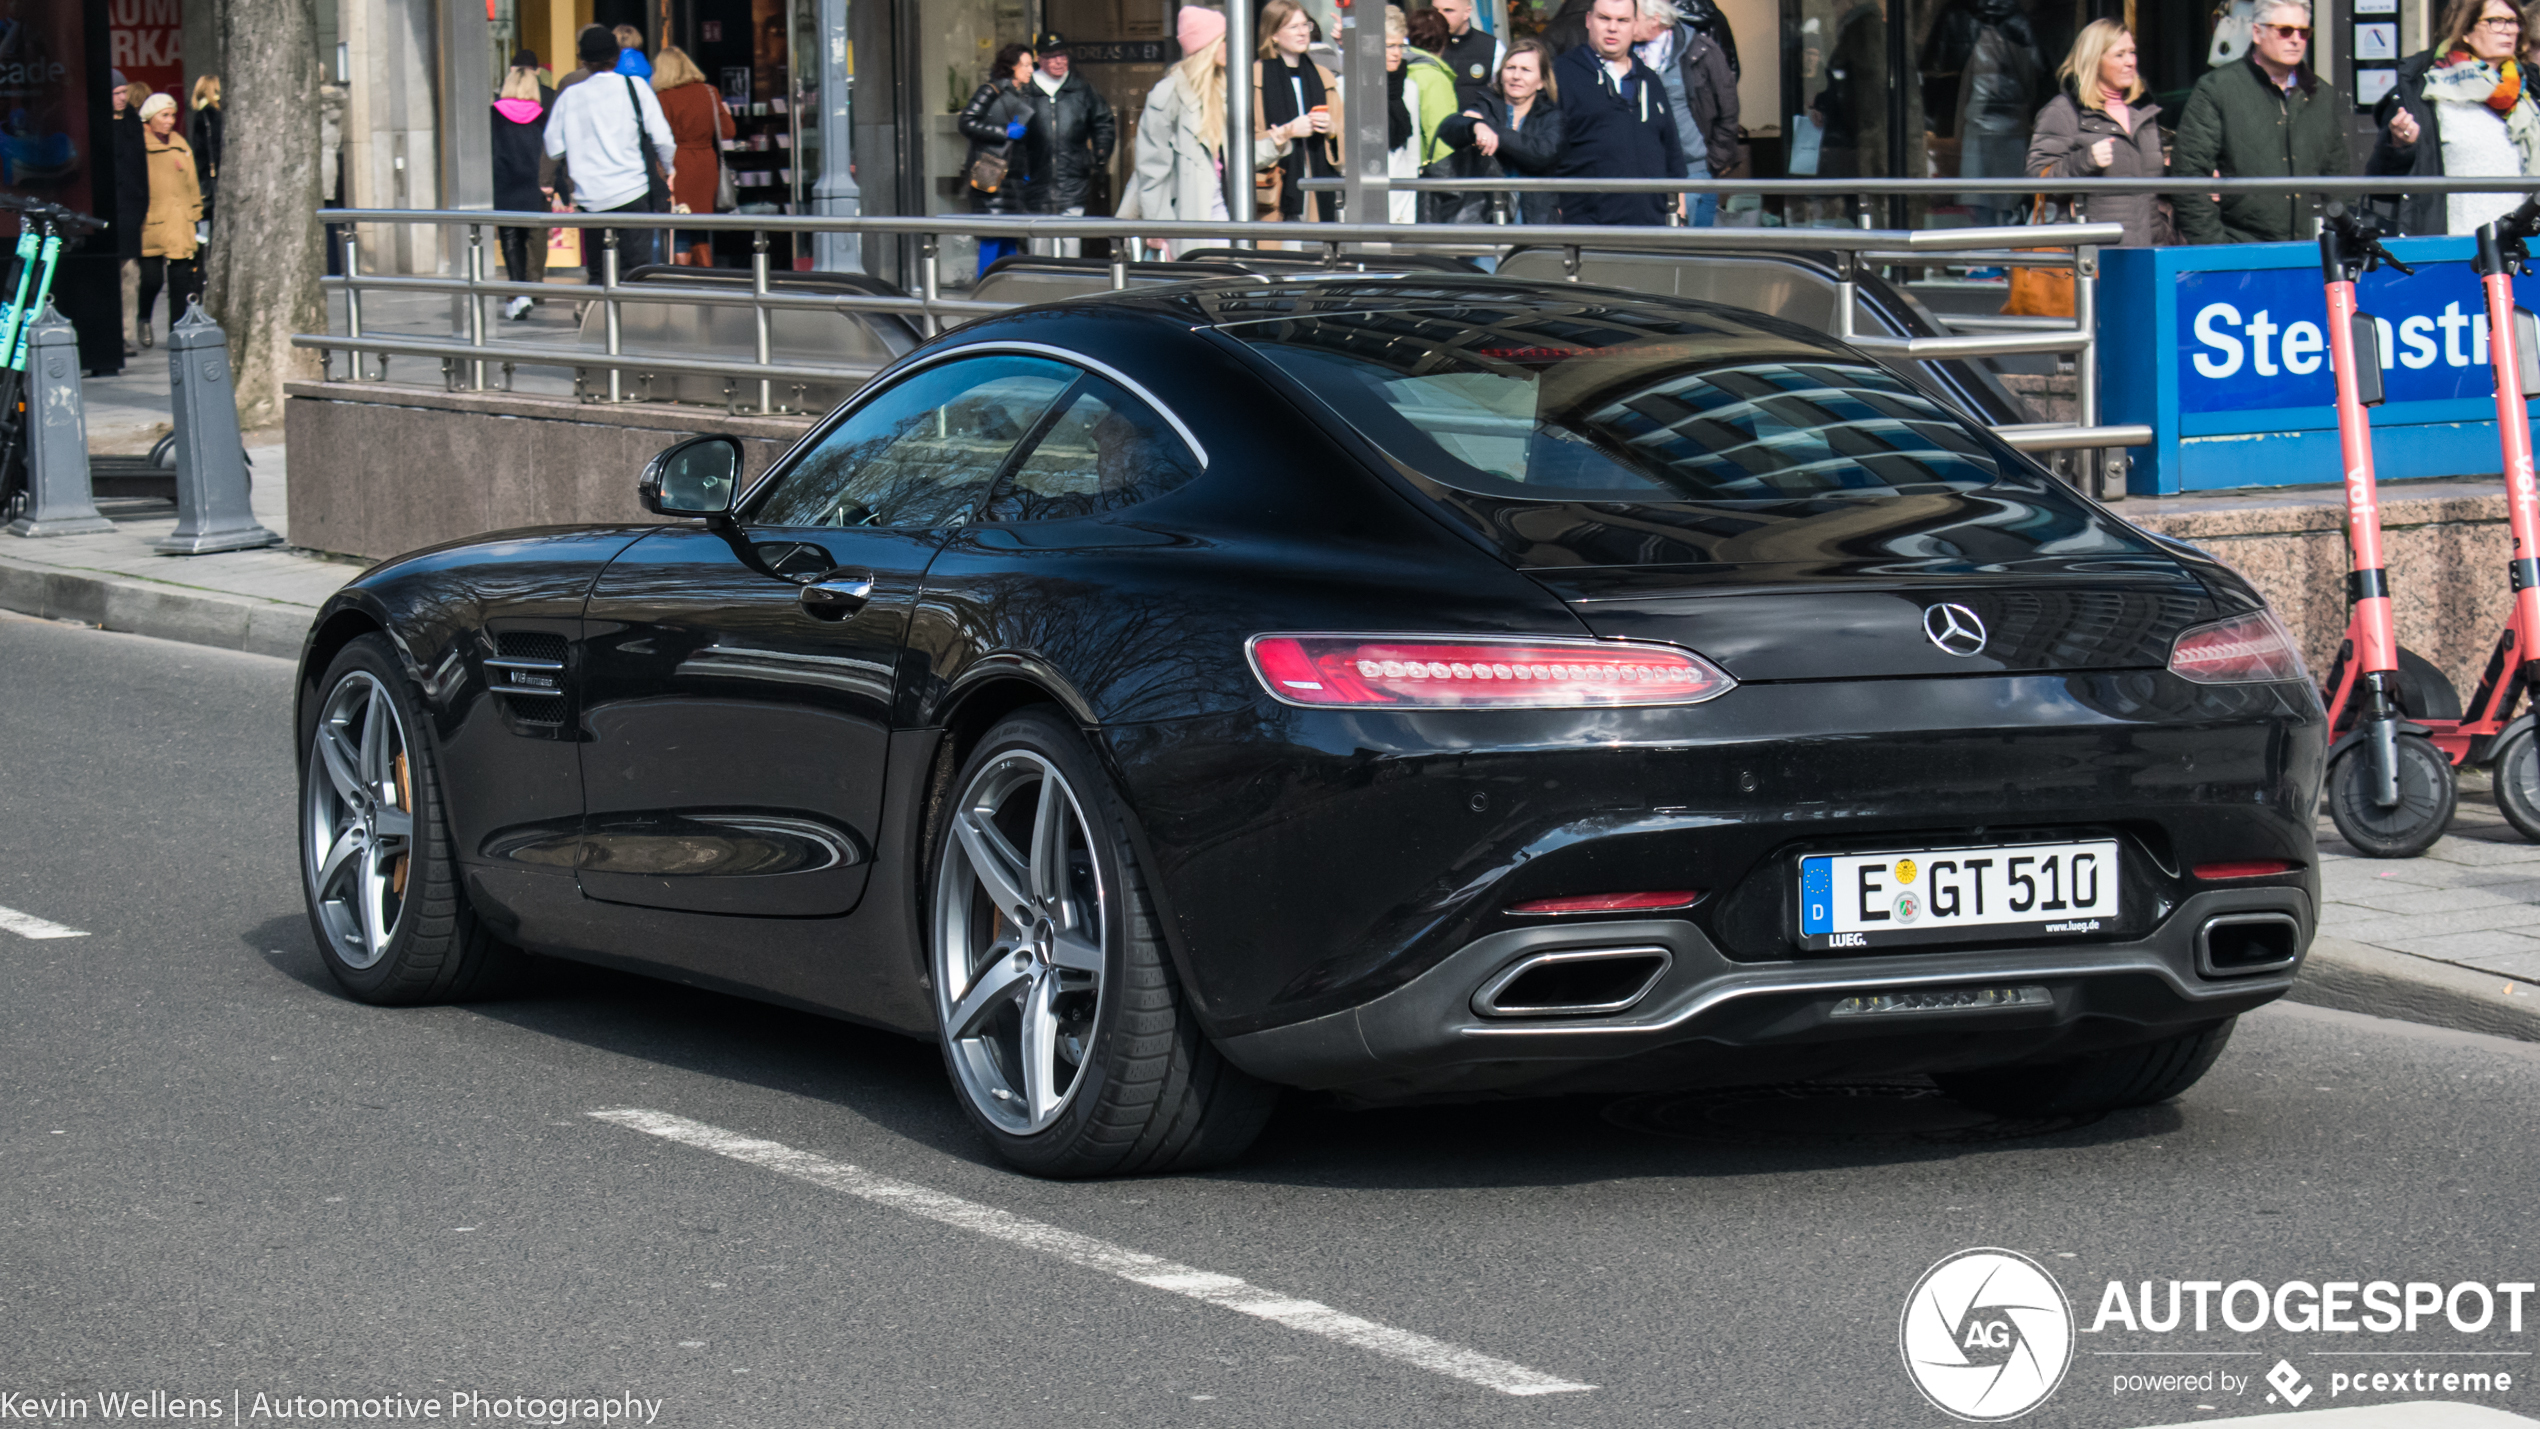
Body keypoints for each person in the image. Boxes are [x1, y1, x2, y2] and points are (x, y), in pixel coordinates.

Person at [2171, 0, 2349, 243]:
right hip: (2240, 250)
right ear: (2257, 32)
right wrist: (2217, 249)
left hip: (2308, 252)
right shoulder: (2218, 89)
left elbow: (2340, 183)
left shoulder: (2320, 94)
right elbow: (2188, 177)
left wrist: (2338, 243)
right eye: (2285, 31)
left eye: (2304, 32)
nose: (2296, 39)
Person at [2371, 0, 2540, 234]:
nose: (2509, 29)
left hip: (2525, 248)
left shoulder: (2530, 91)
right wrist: (2399, 146)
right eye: (2496, 22)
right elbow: (2380, 184)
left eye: (2513, 22)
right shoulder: (2427, 90)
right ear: (2466, 31)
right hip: (2459, 247)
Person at [1130, 6, 1287, 256]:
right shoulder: (1168, 94)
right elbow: (1152, 169)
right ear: (1207, 46)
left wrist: (1275, 143)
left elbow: (1232, 157)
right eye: (1225, 40)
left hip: (1222, 208)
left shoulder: (1222, 91)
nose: (1231, 46)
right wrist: (1159, 228)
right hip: (1188, 215)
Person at [544, 25, 677, 273]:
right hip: (633, 192)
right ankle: (633, 311)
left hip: (590, 199)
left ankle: (600, 310)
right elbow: (663, 139)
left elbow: (553, 148)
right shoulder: (636, 88)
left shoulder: (570, 96)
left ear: (583, 59)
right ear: (617, 57)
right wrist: (668, 169)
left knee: (599, 273)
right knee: (637, 271)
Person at [2023, 21, 2166, 247]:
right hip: (2094, 258)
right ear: (2095, 61)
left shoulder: (2143, 112)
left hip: (2148, 253)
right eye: (2119, 55)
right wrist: (2084, 160)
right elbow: (2037, 180)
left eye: (2132, 52)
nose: (2130, 61)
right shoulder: (2064, 111)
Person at [1552, 0, 1685, 224]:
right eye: (1604, 18)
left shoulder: (1650, 80)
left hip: (1653, 226)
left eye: (1622, 20)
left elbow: (1672, 153)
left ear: (1634, 25)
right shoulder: (1560, 74)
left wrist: (1679, 216)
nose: (1613, 28)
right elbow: (1545, 150)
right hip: (1588, 227)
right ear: (1588, 20)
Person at [1437, 38, 1566, 223]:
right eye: (1510, 67)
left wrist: (1493, 131)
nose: (1516, 76)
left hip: (1534, 221)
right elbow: (1448, 128)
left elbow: (1541, 153)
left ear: (1542, 82)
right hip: (1484, 221)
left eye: (1526, 70)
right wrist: (1474, 125)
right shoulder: (1486, 106)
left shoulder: (1552, 118)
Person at [1633, 0, 1739, 225]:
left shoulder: (1700, 49)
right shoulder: (1624, 55)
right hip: (1644, 172)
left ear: (1655, 20)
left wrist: (1714, 161)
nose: (1627, 23)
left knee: (1693, 252)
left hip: (1695, 168)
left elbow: (1728, 107)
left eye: (1634, 17)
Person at [1025, 32, 1119, 253]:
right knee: (1038, 246)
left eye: (1062, 55)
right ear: (1040, 59)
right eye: (1052, 56)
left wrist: (1100, 152)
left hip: (1073, 180)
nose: (1059, 61)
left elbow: (1103, 121)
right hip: (1036, 183)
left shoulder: (1081, 89)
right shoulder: (1027, 91)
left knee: (1071, 244)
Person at [1254, 3, 1341, 225]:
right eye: (1293, 27)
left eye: (1306, 25)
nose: (1303, 32)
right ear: (1273, 34)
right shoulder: (1255, 77)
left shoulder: (1323, 77)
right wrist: (1289, 132)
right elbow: (1243, 143)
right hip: (1274, 192)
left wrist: (1331, 129)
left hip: (1316, 188)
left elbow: (1345, 140)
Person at [961, 43, 1039, 277]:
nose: (1030, 70)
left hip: (1012, 180)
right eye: (1025, 65)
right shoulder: (991, 90)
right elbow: (967, 121)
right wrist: (1003, 131)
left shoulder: (1022, 96)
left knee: (1008, 242)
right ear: (1011, 67)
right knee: (992, 237)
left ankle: (1002, 292)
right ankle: (984, 290)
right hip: (991, 175)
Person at [652, 46, 733, 265]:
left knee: (680, 224)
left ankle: (683, 275)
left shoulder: (664, 97)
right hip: (706, 164)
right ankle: (707, 271)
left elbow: (660, 136)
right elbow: (728, 130)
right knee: (701, 224)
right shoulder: (709, 92)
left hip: (679, 164)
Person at [136, 93, 203, 346]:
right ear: (150, 118)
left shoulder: (180, 144)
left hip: (180, 221)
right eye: (164, 115)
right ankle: (144, 317)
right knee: (152, 279)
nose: (170, 121)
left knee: (180, 281)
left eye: (172, 115)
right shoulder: (139, 146)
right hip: (151, 221)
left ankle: (177, 330)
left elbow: (192, 184)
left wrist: (195, 214)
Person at [492, 61, 550, 318]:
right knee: (531, 237)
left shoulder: (494, 114)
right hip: (533, 183)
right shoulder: (541, 116)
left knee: (510, 239)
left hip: (504, 182)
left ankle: (518, 292)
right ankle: (528, 287)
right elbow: (550, 153)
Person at [1392, 6, 1460, 222]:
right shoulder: (1434, 78)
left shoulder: (1402, 69)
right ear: (1444, 40)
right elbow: (1441, 136)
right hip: (1423, 182)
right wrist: (1454, 186)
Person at [110, 73, 146, 357]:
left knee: (129, 274)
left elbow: (139, 171)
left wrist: (140, 206)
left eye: (124, 92)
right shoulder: (98, 123)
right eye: (116, 92)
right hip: (107, 213)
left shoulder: (133, 123)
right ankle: (109, 335)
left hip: (130, 211)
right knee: (110, 276)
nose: (122, 97)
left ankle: (125, 335)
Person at [1430, 0, 1507, 111]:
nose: (1439, 17)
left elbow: (1503, 94)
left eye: (1448, 10)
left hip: (1477, 124)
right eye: (1435, 10)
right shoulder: (1420, 45)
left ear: (1467, 12)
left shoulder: (1492, 47)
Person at [189, 75, 222, 236]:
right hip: (218, 176)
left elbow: (200, 152)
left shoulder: (201, 116)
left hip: (207, 178)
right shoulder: (218, 113)